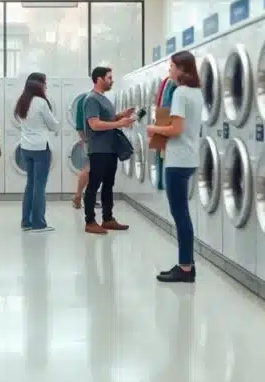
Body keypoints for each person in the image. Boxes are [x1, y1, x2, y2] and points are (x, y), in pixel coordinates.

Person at [146, 51, 202, 283]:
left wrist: (154, 129)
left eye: (171, 66)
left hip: (177, 160)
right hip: (189, 158)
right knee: (182, 213)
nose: (169, 70)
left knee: (180, 214)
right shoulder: (197, 93)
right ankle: (186, 264)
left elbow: (176, 129)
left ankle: (185, 268)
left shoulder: (180, 93)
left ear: (181, 69)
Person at [83, 66, 136, 235]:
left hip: (110, 148)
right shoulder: (91, 99)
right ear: (99, 79)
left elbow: (107, 119)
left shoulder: (103, 98)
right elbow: (94, 124)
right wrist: (120, 123)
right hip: (98, 149)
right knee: (94, 185)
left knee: (108, 184)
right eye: (109, 78)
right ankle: (90, 221)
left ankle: (108, 218)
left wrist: (121, 115)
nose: (112, 81)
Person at [14, 72, 60, 232]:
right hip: (40, 148)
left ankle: (26, 222)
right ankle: (39, 223)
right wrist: (54, 125)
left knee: (30, 184)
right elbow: (53, 125)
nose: (46, 86)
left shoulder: (22, 101)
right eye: (45, 83)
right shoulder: (41, 102)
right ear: (39, 84)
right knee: (39, 186)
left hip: (25, 147)